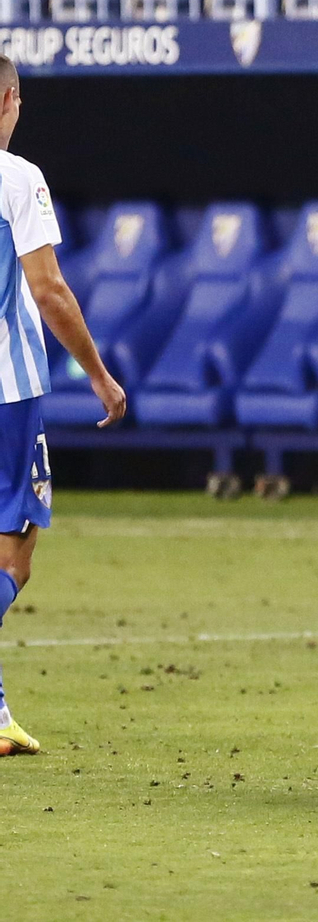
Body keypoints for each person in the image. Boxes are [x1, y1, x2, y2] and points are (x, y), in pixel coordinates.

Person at [0, 54, 127, 758]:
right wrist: (100, 377)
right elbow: (48, 290)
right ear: (11, 100)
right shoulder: (18, 180)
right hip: (6, 390)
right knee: (13, 555)